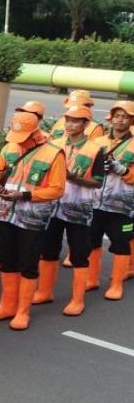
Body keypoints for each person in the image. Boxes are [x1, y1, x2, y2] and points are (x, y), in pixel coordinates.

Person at [0, 112, 66, 330]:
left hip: (33, 219)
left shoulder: (53, 154)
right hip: (7, 213)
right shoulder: (10, 147)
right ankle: (6, 305)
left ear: (35, 132)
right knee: (6, 258)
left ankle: (23, 311)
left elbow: (57, 189)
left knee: (28, 263)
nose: (18, 141)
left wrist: (26, 196)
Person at [35, 105, 105, 315]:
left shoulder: (95, 150)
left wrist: (75, 178)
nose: (70, 124)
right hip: (53, 208)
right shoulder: (53, 145)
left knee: (79, 254)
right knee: (48, 250)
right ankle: (44, 291)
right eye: (68, 119)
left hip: (79, 210)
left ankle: (77, 299)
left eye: (76, 120)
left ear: (86, 124)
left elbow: (98, 182)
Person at [91, 101, 134, 300]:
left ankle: (116, 284)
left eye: (125, 116)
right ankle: (91, 279)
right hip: (95, 202)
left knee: (121, 244)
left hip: (122, 206)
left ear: (131, 120)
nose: (120, 120)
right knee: (91, 241)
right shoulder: (98, 142)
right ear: (111, 118)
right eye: (117, 115)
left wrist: (123, 170)